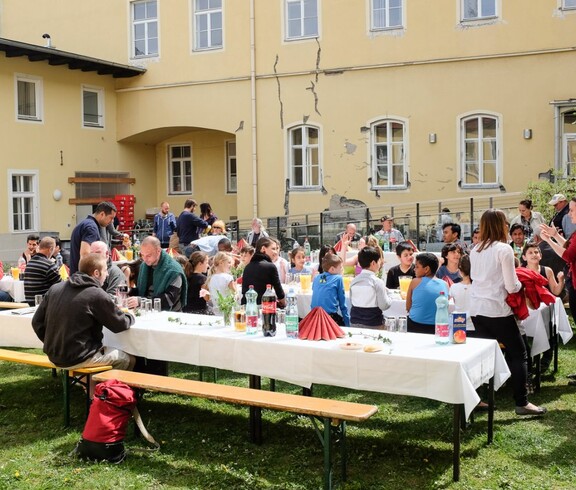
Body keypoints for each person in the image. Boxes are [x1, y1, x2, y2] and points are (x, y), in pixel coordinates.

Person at [470, 209, 546, 416]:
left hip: (477, 309)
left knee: (482, 355)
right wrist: (525, 283)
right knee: (519, 354)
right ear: (499, 225)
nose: (507, 226)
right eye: (504, 222)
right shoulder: (503, 249)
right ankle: (522, 402)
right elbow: (512, 286)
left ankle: (477, 398)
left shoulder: (474, 249)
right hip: (497, 309)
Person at [31, 253, 135, 371]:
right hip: (79, 357)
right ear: (96, 273)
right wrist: (130, 315)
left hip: (55, 355)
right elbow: (120, 324)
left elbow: (36, 322)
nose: (107, 274)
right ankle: (109, 389)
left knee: (104, 350)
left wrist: (52, 343)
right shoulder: (95, 293)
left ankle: (90, 385)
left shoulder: (55, 288)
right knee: (128, 359)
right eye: (106, 270)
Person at [521, 240, 565, 374]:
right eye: (530, 252)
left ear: (540, 255)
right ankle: (527, 359)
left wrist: (561, 280)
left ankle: (545, 358)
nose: (534, 255)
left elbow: (556, 291)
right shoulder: (521, 271)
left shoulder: (547, 270)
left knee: (549, 327)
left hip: (544, 308)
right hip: (527, 310)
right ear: (524, 257)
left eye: (536, 252)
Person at [125, 236, 187, 312]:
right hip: (147, 311)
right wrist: (129, 290)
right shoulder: (144, 266)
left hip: (170, 315)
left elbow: (169, 300)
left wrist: (140, 301)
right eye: (142, 255)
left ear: (158, 251)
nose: (145, 259)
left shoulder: (174, 271)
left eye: (148, 255)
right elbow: (142, 291)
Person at [406, 253, 449, 334]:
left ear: (426, 269)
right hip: (438, 327)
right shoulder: (445, 284)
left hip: (415, 325)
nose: (414, 269)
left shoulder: (415, 282)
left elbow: (408, 307)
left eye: (417, 267)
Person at [69, 201, 117, 275]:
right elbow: (85, 255)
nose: (112, 221)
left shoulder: (85, 223)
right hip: (83, 279)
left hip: (76, 276)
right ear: (102, 214)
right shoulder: (91, 228)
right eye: (111, 218)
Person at [350, 246, 392, 328]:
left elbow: (352, 302)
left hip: (354, 323)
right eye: (379, 261)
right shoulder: (377, 282)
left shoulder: (353, 281)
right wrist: (390, 296)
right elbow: (384, 305)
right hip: (373, 324)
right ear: (373, 263)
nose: (380, 264)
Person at [241, 237, 285, 306]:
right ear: (263, 249)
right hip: (264, 308)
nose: (276, 252)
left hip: (246, 306)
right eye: (273, 249)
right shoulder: (270, 267)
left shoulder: (248, 267)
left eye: (277, 249)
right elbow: (279, 293)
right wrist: (284, 304)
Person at [311, 253, 350, 326]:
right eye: (340, 267)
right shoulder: (338, 278)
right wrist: (347, 323)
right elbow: (342, 304)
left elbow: (317, 289)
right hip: (329, 318)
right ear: (332, 269)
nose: (342, 269)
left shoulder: (317, 277)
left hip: (314, 317)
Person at [23, 236, 61, 304]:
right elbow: (60, 286)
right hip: (45, 304)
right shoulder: (49, 265)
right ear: (50, 249)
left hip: (30, 302)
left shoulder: (29, 264)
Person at [448, 254, 474, 333]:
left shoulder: (453, 287)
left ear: (460, 270)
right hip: (474, 324)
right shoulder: (479, 288)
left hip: (458, 322)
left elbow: (449, 306)